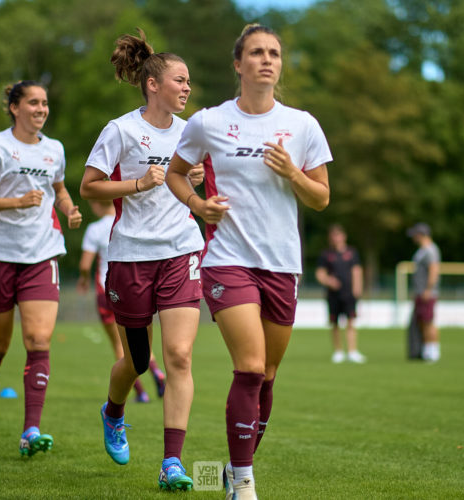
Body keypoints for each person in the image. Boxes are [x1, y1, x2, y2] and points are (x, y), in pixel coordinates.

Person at [166, 24, 332, 500]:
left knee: (269, 377)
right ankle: (242, 484)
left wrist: (293, 172)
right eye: (256, 52)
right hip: (226, 259)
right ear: (238, 64)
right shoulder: (208, 122)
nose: (267, 60)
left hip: (282, 264)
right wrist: (199, 207)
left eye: (274, 53)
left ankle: (230, 470)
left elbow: (320, 198)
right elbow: (178, 175)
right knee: (251, 367)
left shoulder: (303, 124)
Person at [78, 30, 204, 491]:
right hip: (130, 254)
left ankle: (172, 461)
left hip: (181, 250)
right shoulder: (121, 130)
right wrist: (137, 184)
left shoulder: (193, 132)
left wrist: (195, 181)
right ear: (154, 84)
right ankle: (113, 412)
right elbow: (88, 187)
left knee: (180, 356)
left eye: (189, 81)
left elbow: (195, 186)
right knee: (136, 358)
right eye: (180, 80)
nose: (187, 88)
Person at [0, 80, 82, 457]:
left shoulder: (55, 149)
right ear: (14, 107)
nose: (41, 109)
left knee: (39, 340)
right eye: (33, 103)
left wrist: (69, 208)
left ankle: (31, 430)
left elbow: (57, 189)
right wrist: (15, 202)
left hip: (42, 253)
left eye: (45, 103)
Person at [76, 199, 167, 403]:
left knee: (121, 345)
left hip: (107, 290)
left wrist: (83, 279)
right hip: (134, 286)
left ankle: (141, 393)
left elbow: (84, 264)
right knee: (141, 342)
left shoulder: (95, 229)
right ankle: (158, 373)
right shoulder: (127, 220)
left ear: (96, 204)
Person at [315, 224, 365, 363]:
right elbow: (320, 273)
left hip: (349, 294)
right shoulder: (326, 255)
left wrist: (357, 288)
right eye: (333, 236)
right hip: (333, 295)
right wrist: (328, 281)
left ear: (344, 236)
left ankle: (352, 351)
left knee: (351, 322)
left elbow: (357, 271)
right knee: (335, 323)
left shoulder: (352, 253)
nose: (336, 238)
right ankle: (338, 352)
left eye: (338, 235)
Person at [407, 222, 441, 362]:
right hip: (420, 292)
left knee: (428, 322)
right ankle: (425, 349)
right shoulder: (422, 250)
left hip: (427, 293)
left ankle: (433, 351)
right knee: (422, 322)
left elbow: (434, 270)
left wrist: (428, 289)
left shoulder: (430, 250)